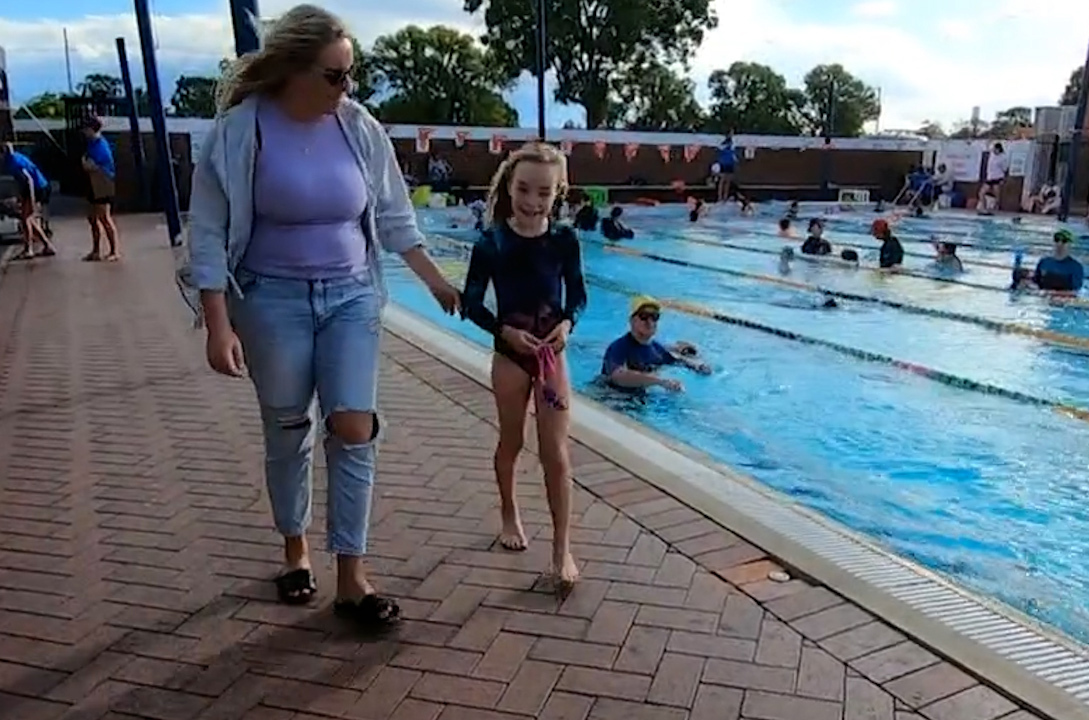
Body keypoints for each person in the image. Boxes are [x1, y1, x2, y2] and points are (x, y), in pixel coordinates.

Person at [183, 3, 462, 628]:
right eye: (335, 76)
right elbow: (207, 231)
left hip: (351, 297)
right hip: (270, 298)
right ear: (294, 69)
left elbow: (393, 215)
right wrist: (218, 321)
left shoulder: (358, 126)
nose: (347, 88)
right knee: (287, 430)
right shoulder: (238, 131)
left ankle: (352, 578)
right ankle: (295, 551)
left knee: (354, 427)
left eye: (351, 75)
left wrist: (437, 281)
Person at [461, 142, 586, 593]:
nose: (533, 202)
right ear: (508, 187)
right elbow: (472, 303)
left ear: (559, 193)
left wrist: (569, 324)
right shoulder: (491, 241)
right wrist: (503, 332)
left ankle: (561, 548)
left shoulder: (565, 240)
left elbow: (578, 295)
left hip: (552, 354)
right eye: (524, 190)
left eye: (544, 193)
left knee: (556, 451)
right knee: (512, 440)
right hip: (511, 354)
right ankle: (509, 511)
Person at [602, 296, 710, 394]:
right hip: (610, 397)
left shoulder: (657, 349)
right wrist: (659, 381)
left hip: (638, 400)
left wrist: (697, 366)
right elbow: (617, 376)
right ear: (632, 320)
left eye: (654, 317)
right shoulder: (619, 347)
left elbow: (677, 361)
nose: (650, 322)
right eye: (644, 316)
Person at [1, 143, 56, 260]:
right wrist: (21, 196)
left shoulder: (13, 162)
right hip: (32, 187)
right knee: (28, 219)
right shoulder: (12, 158)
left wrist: (31, 199)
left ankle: (29, 249)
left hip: (37, 187)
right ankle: (47, 245)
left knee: (26, 219)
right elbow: (20, 181)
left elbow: (29, 180)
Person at [80, 117, 121, 261]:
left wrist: (88, 164)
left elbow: (95, 164)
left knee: (104, 217)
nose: (84, 132)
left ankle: (114, 251)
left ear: (92, 129)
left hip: (103, 182)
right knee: (92, 218)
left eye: (86, 129)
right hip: (92, 181)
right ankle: (96, 250)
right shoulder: (91, 144)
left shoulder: (101, 145)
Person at [1032, 229, 1085, 294]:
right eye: (1057, 240)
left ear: (1070, 245)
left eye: (1064, 241)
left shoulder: (1076, 267)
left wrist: (1051, 293)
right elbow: (1035, 283)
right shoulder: (1044, 262)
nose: (1059, 244)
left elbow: (1075, 291)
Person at [977, 142, 1008, 216]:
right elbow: (987, 146)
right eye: (993, 149)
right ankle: (984, 208)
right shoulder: (992, 154)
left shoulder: (1003, 157)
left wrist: (1003, 179)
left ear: (999, 149)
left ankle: (995, 209)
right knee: (981, 193)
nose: (994, 150)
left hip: (997, 178)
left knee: (997, 196)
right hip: (990, 177)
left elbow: (1005, 169)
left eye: (995, 149)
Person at [716, 132, 736, 204]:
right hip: (724, 163)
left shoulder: (732, 145)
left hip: (730, 164)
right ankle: (720, 197)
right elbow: (720, 150)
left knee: (728, 181)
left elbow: (733, 154)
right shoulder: (723, 145)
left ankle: (725, 197)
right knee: (723, 180)